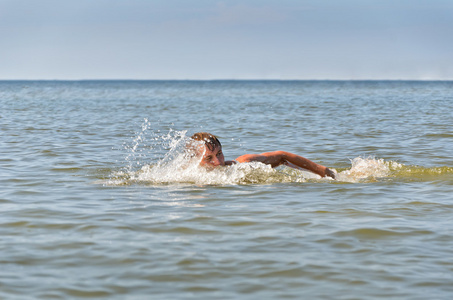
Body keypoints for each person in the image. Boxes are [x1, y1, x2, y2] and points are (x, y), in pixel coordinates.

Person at [189, 132, 336, 179]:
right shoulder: (184, 175)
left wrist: (323, 171)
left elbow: (281, 155)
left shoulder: (241, 165)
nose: (218, 161)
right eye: (209, 158)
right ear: (194, 161)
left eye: (219, 154)